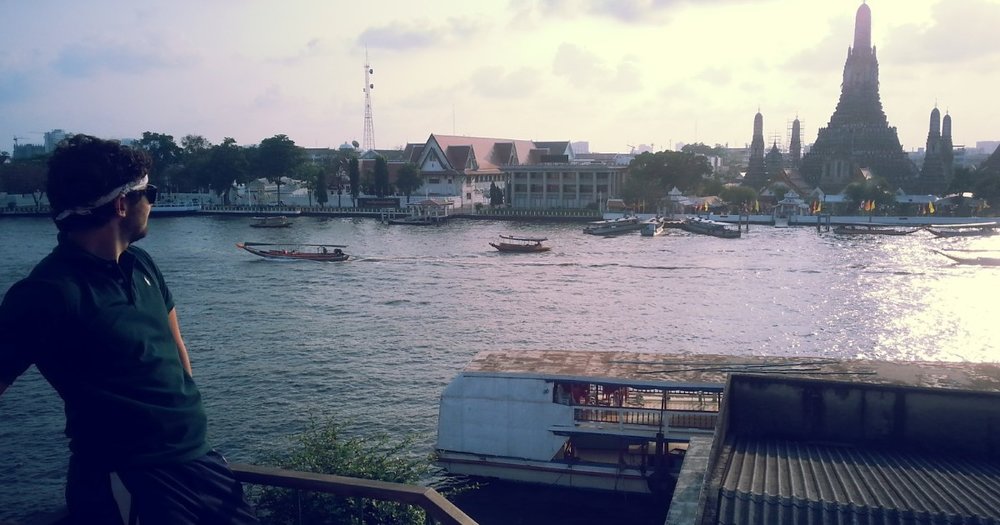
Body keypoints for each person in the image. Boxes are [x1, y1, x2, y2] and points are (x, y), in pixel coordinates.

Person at [0, 135, 258, 525]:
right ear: (122, 204)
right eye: (148, 192)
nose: (153, 202)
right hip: (128, 479)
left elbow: (175, 349)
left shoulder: (141, 263)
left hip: (200, 463)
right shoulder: (48, 293)